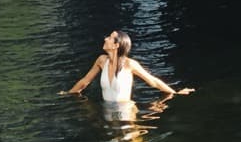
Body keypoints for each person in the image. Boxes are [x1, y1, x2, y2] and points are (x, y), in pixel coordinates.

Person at [61, 29, 195, 104]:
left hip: (126, 111)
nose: (105, 39)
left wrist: (175, 93)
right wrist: (68, 94)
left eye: (109, 37)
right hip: (106, 109)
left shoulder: (129, 64)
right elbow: (85, 81)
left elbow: (153, 81)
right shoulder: (101, 60)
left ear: (116, 45)